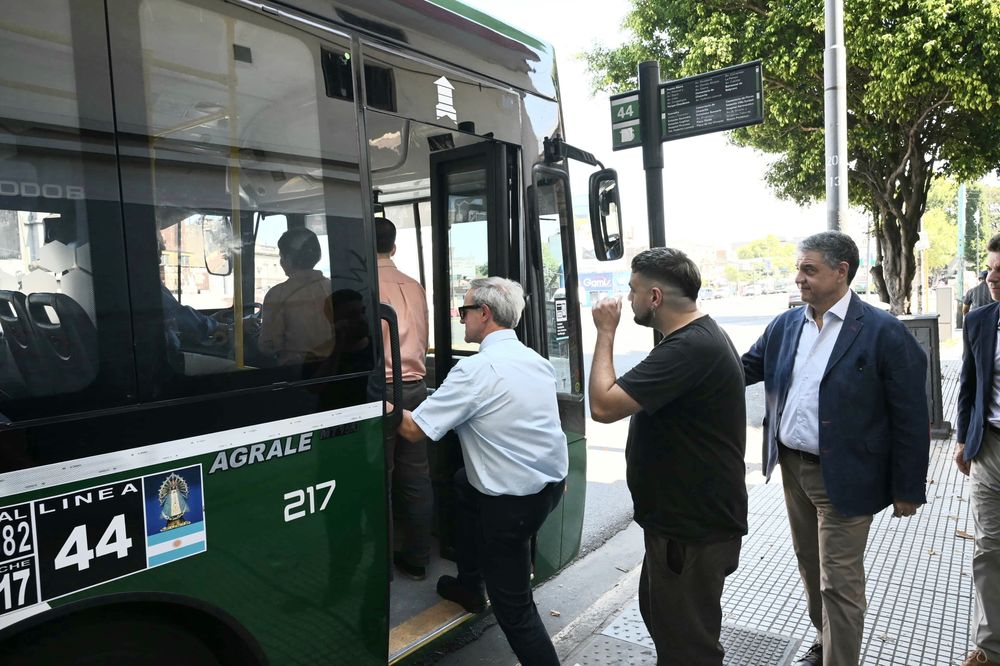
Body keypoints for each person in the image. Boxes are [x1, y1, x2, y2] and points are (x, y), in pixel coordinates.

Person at [742, 231, 929, 666]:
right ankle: (826, 642)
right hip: (792, 470)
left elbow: (910, 416)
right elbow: (744, 368)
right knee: (811, 570)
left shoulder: (883, 332)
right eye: (798, 269)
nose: (798, 279)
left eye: (809, 269)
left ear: (841, 271)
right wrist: (691, 369)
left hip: (847, 476)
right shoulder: (786, 325)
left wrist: (908, 487)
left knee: (838, 583)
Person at [395, 277, 567, 666]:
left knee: (515, 610)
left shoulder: (476, 370)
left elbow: (412, 429)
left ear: (484, 314)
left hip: (511, 505)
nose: (461, 318)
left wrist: (376, 402)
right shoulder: (535, 360)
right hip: (549, 487)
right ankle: (471, 585)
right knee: (461, 483)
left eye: (464, 310)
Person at [588, 247, 747, 665]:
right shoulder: (692, 340)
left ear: (655, 297)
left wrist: (605, 332)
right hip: (681, 524)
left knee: (688, 648)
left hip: (690, 529)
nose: (627, 299)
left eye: (633, 290)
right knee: (668, 627)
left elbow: (603, 406)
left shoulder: (690, 348)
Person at [375, 218, 433, 581]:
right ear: (394, 248)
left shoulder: (364, 286)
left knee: (379, 478)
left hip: (380, 394)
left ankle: (379, 565)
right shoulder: (415, 286)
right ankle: (417, 557)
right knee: (415, 477)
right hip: (417, 389)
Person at [955, 233, 1000, 666]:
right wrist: (963, 440)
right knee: (989, 546)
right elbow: (969, 383)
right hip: (990, 445)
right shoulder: (982, 321)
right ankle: (990, 648)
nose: (991, 277)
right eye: (989, 268)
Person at [258, 228, 333, 364]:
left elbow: (269, 346)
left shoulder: (277, 294)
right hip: (334, 368)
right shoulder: (334, 288)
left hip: (296, 374)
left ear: (288, 259)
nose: (281, 262)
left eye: (281, 257)